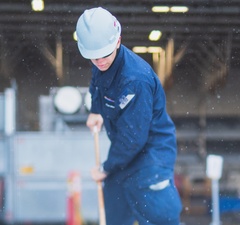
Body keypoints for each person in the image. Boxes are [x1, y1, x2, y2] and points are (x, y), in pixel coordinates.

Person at [75, 7, 182, 225]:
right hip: (124, 157)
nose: (99, 61)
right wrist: (96, 109)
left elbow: (133, 138)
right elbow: (97, 81)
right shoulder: (100, 60)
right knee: (113, 210)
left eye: (104, 55)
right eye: (93, 57)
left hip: (150, 156)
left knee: (159, 217)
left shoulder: (135, 80)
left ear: (117, 41)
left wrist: (106, 167)